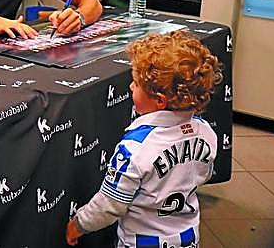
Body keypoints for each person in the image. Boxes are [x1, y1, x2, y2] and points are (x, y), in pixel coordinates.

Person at [65, 30, 223, 248]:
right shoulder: (206, 132)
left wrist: (79, 224)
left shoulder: (135, 148)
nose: (131, 86)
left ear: (159, 100)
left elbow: (109, 205)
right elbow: (203, 174)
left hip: (141, 241)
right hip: (188, 237)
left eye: (136, 83)